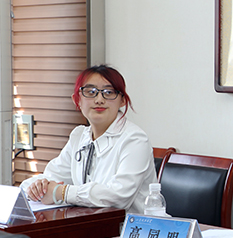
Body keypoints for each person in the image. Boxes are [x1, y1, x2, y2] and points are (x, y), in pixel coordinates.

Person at [21, 65, 157, 214]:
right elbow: (52, 176)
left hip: (130, 227)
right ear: (77, 100)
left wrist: (63, 192)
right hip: (89, 223)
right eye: (91, 92)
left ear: (122, 100)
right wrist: (36, 188)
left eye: (109, 92)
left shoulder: (135, 139)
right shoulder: (79, 136)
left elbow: (118, 197)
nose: (99, 100)